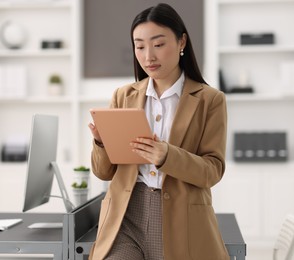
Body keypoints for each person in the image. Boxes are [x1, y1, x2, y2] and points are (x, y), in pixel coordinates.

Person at [88, 3, 229, 260]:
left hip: (180, 218)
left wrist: (167, 156)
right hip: (127, 216)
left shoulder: (210, 100)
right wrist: (101, 143)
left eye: (158, 44)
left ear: (181, 42)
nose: (148, 56)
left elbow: (212, 170)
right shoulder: (123, 96)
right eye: (140, 46)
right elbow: (103, 172)